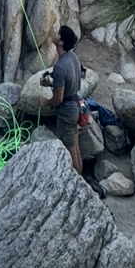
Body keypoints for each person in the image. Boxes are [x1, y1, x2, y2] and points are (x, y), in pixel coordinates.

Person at [43, 24, 82, 174]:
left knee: (69, 148)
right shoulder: (72, 57)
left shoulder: (59, 66)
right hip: (75, 106)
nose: (54, 33)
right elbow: (69, 81)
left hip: (66, 111)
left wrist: (45, 103)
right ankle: (81, 177)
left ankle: (78, 182)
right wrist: (52, 82)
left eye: (58, 33)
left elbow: (58, 98)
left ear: (61, 42)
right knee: (75, 145)